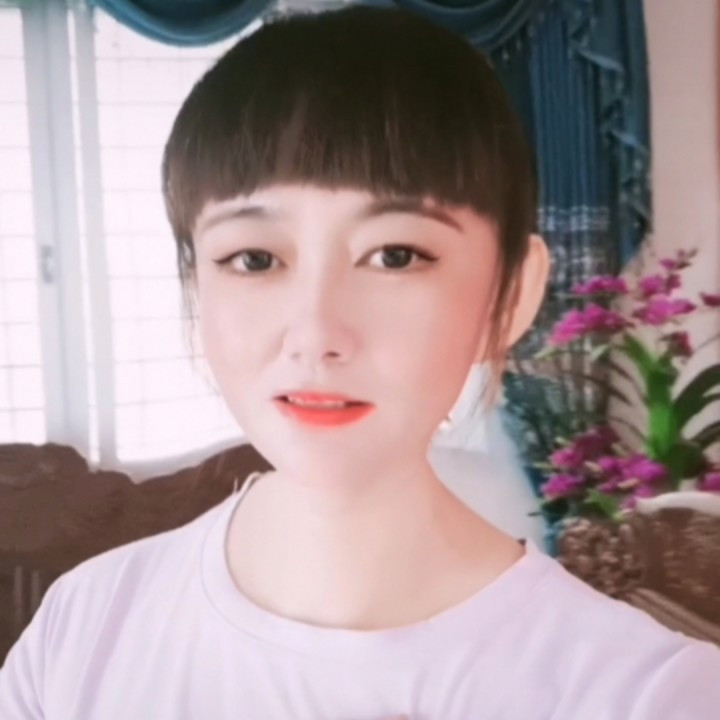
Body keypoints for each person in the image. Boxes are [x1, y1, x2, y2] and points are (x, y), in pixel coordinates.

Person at [2, 5, 719, 719]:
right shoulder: (82, 629)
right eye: (254, 259)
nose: (315, 333)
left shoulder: (650, 695)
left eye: (395, 255)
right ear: (196, 287)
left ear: (511, 295)